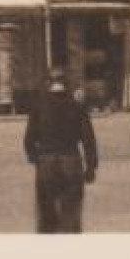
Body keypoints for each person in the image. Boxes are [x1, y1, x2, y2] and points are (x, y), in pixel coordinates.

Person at [22, 67, 99, 234]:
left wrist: (35, 158)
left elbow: (29, 139)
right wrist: (91, 167)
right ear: (67, 84)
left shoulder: (39, 106)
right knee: (71, 217)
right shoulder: (77, 107)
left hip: (46, 162)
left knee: (46, 219)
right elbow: (88, 140)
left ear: (48, 83)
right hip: (71, 161)